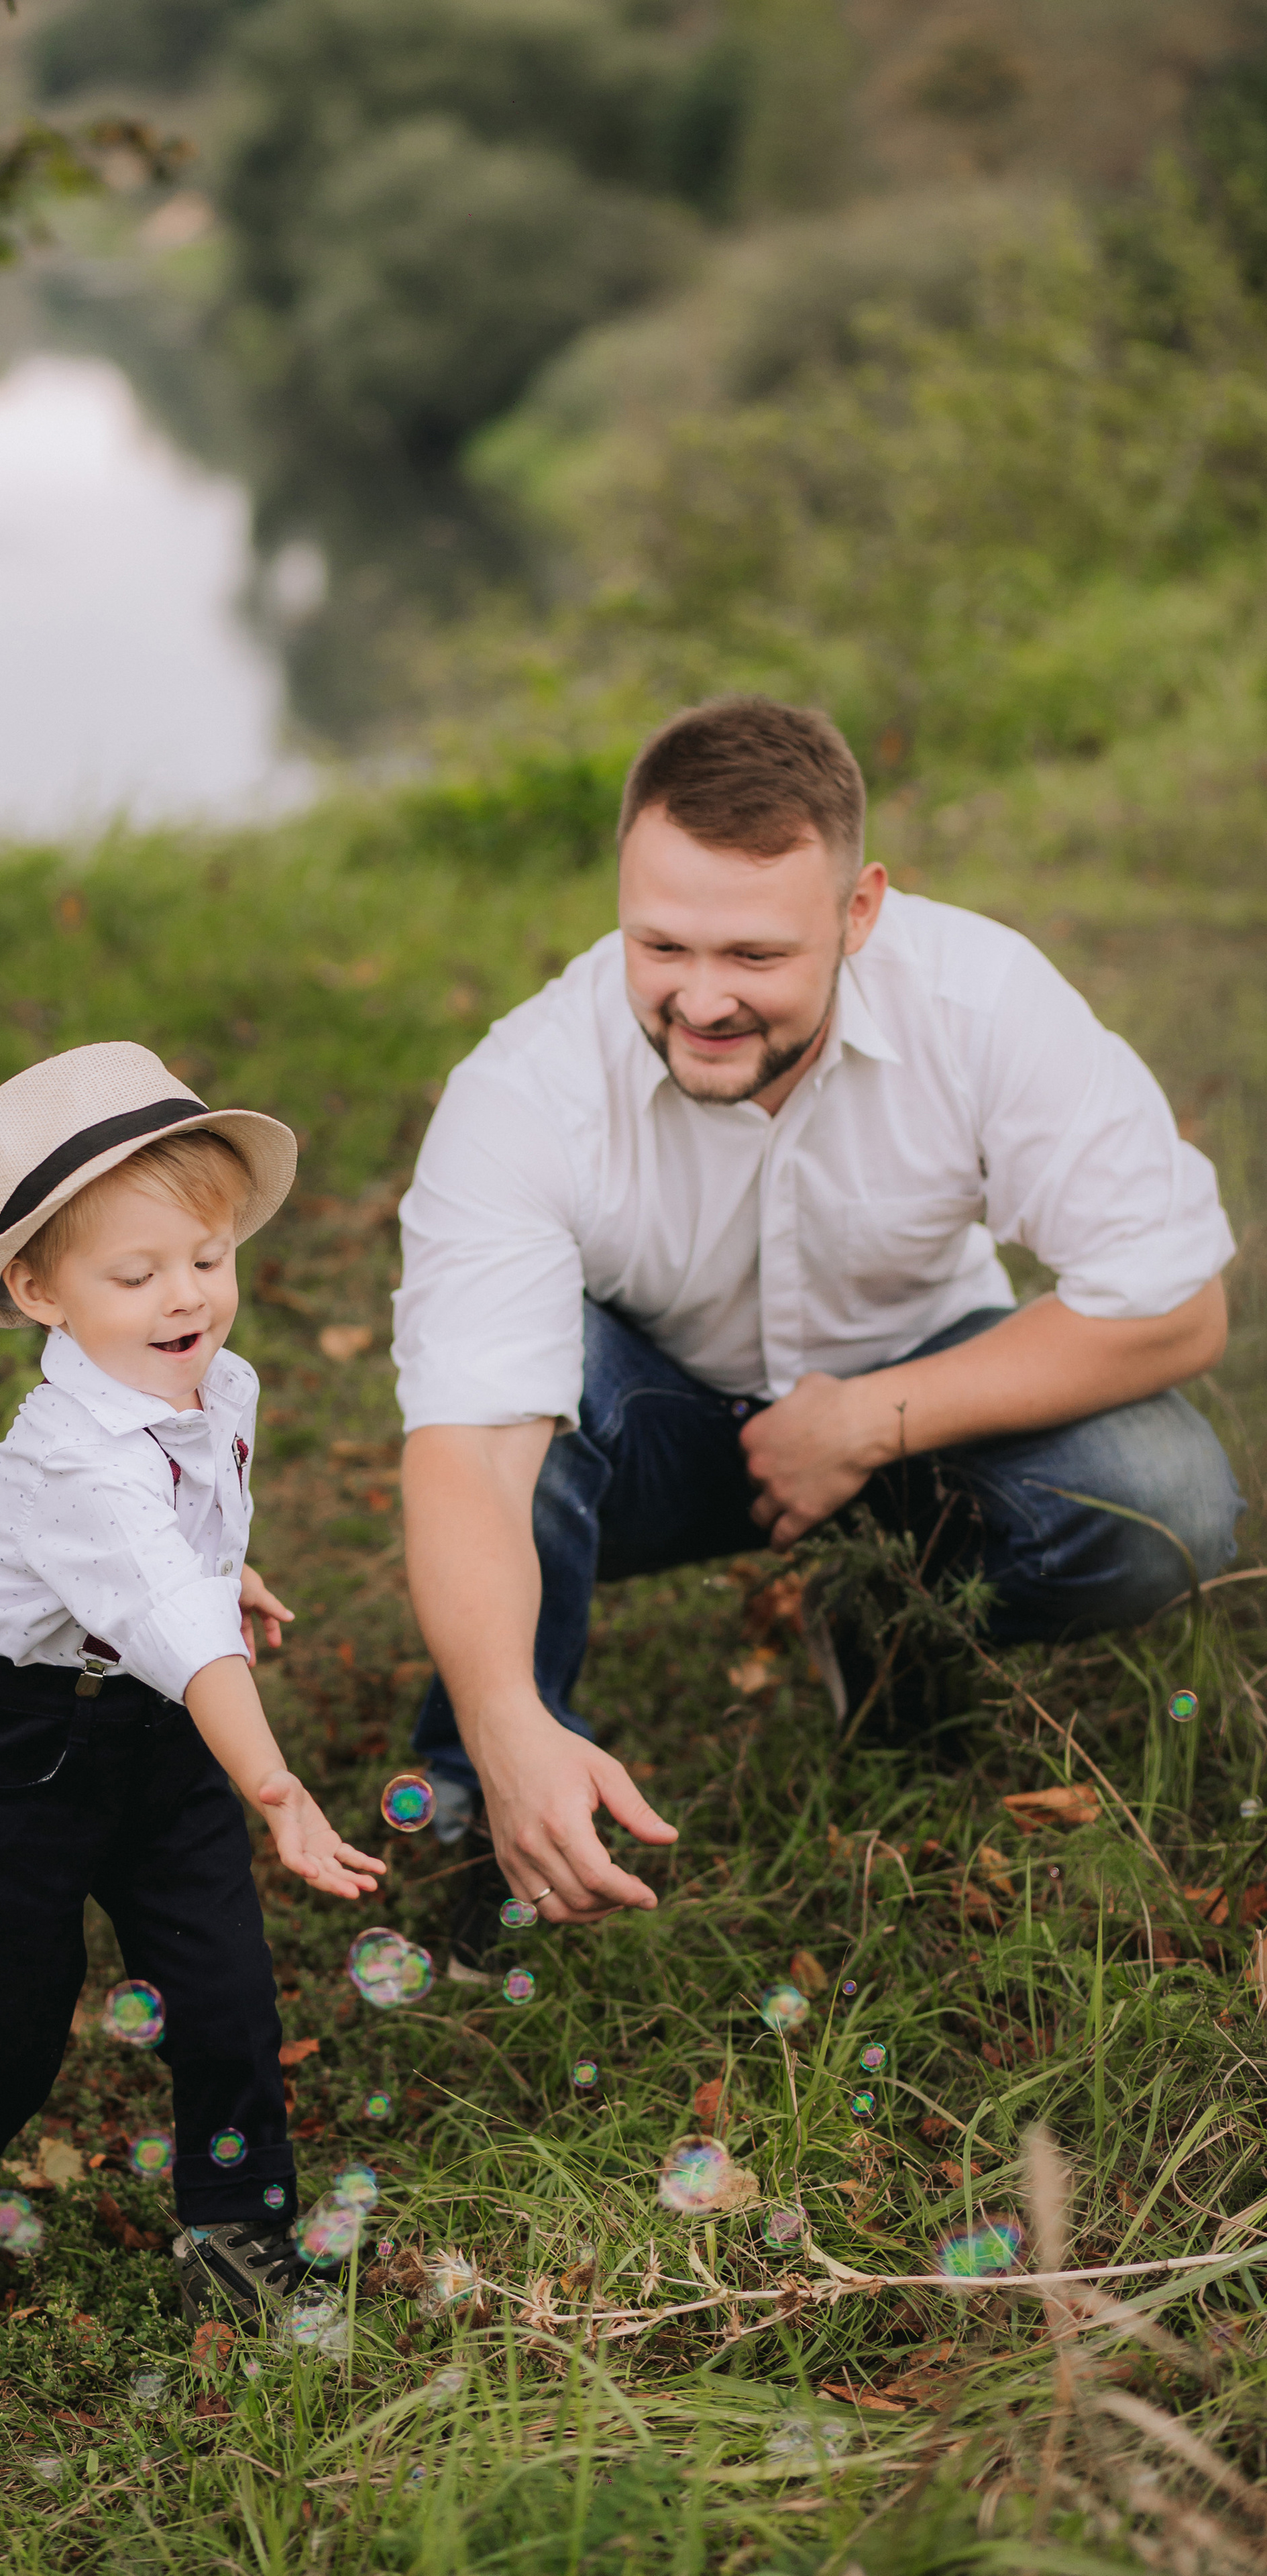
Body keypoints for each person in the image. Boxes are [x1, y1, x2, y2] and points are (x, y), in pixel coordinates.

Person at [392, 696, 1242, 1961]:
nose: (701, 999)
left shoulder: (985, 1002)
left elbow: (1177, 1302)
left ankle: (885, 1612)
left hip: (912, 1406)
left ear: (860, 912)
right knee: (528, 1375)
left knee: (1170, 1495)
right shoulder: (524, 1091)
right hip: (658, 1428)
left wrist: (867, 1423)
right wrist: (506, 1717)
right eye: (662, 946)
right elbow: (466, 1451)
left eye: (754, 957)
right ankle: (490, 1782)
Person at [0, 1041, 384, 2343]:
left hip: (157, 1733)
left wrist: (223, 1566)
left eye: (207, 1259)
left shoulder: (215, 1380)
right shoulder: (70, 1461)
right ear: (36, 1289)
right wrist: (276, 1785)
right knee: (16, 2014)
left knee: (223, 1989)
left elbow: (177, 1551)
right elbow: (164, 1605)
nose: (184, 1298)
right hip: (25, 1747)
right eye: (135, 1274)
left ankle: (236, 2224)